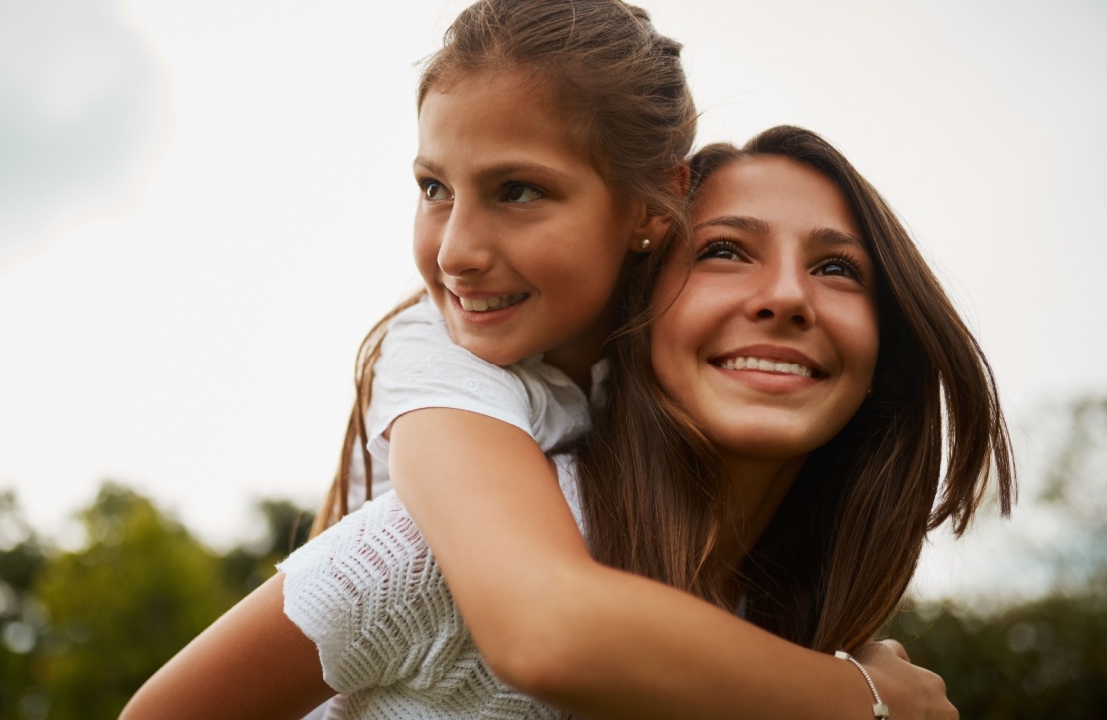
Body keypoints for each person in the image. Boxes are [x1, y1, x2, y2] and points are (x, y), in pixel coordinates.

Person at [120, 0, 1012, 716]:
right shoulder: (443, 367)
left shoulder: (753, 610)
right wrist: (862, 705)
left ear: (651, 216)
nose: (457, 250)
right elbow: (542, 625)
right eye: (433, 188)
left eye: (518, 190)